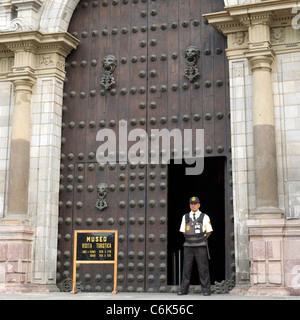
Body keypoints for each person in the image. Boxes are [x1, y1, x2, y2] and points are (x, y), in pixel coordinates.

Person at [177, 196, 213, 296]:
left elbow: (209, 231)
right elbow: (183, 231)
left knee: (203, 268)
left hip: (201, 246)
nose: (193, 205)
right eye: (191, 204)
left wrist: (200, 239)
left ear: (199, 205)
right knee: (186, 268)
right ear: (189, 205)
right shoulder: (185, 217)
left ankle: (206, 290)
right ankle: (183, 290)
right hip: (188, 246)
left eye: (195, 204)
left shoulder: (204, 216)